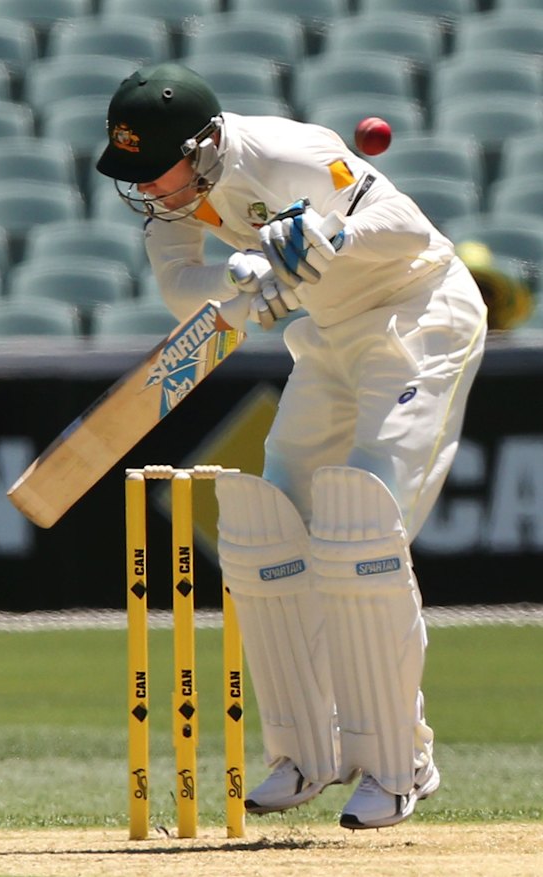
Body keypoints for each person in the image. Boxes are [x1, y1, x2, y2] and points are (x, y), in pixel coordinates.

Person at [97, 62, 487, 830]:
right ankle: (309, 750)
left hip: (417, 316)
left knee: (362, 521)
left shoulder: (284, 152)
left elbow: (406, 228)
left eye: (157, 169)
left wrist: (324, 232)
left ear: (204, 144)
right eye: (134, 175)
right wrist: (239, 276)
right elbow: (183, 286)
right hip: (331, 339)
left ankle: (401, 762)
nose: (149, 189)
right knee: (272, 522)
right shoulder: (173, 202)